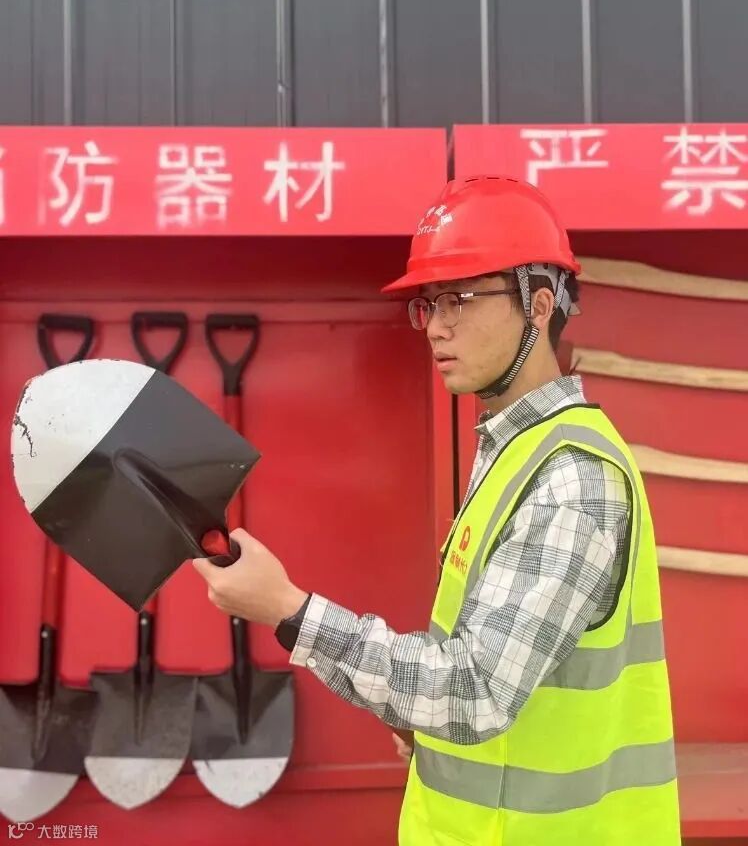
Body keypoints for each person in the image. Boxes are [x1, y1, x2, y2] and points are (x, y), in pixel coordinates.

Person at [193, 176, 680, 845]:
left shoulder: (570, 476)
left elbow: (476, 690)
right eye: (428, 304)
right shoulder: (514, 451)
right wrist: (422, 722)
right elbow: (489, 669)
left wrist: (289, 610)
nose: (436, 327)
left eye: (460, 299)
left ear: (539, 306)